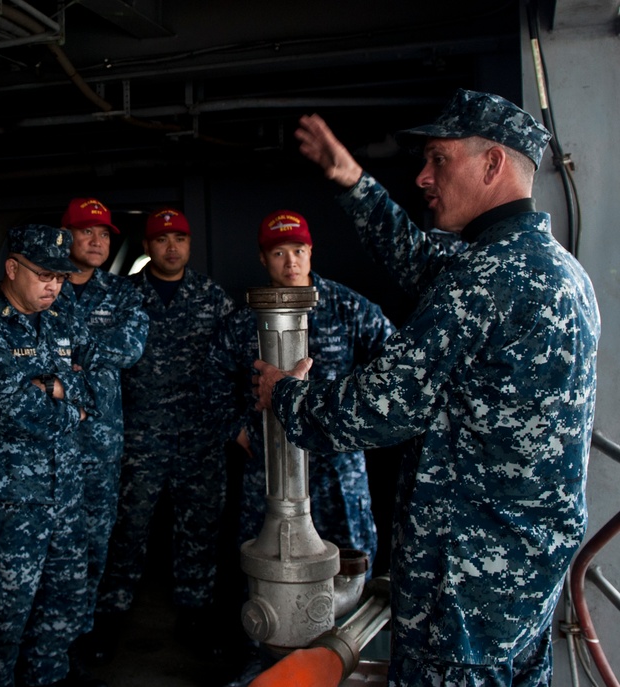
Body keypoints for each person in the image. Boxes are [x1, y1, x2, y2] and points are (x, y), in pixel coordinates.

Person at [253, 89, 600, 685]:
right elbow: (420, 259)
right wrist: (352, 180)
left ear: (492, 164)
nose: (421, 175)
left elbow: (375, 409)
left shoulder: (483, 283)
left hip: (464, 593)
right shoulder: (556, 268)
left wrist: (284, 394)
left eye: (440, 159)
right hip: (525, 580)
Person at [0, 224, 98, 687]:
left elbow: (94, 386)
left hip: (66, 498)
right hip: (10, 504)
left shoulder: (61, 319)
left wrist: (57, 389)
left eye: (60, 276)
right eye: (44, 274)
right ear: (12, 268)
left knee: (61, 613)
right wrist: (70, 407)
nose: (53, 285)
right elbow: (7, 408)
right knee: (3, 619)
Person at [210, 209, 393, 565]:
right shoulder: (246, 318)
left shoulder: (348, 307)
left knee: (349, 564)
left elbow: (397, 364)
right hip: (271, 464)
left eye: (298, 250)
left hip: (338, 469)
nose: (290, 261)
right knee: (269, 564)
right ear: (263, 259)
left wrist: (362, 423)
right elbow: (213, 375)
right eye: (278, 253)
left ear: (310, 251)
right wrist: (237, 431)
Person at [94, 208, 236, 649]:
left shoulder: (213, 297)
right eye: (161, 239)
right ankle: (111, 614)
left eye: (180, 238)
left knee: (199, 529)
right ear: (147, 246)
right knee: (128, 527)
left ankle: (194, 614)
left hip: (199, 436)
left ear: (190, 245)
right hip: (141, 432)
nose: (171, 247)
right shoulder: (124, 296)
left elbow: (234, 360)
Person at [56, 198, 148, 662]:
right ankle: (47, 647)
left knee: (94, 542)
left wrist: (70, 355)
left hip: (99, 443)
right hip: (49, 443)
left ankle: (81, 640)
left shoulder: (123, 293)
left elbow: (130, 347)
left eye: (105, 234)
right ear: (65, 236)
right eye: (86, 231)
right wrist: (89, 351)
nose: (97, 241)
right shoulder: (44, 285)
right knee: (49, 546)